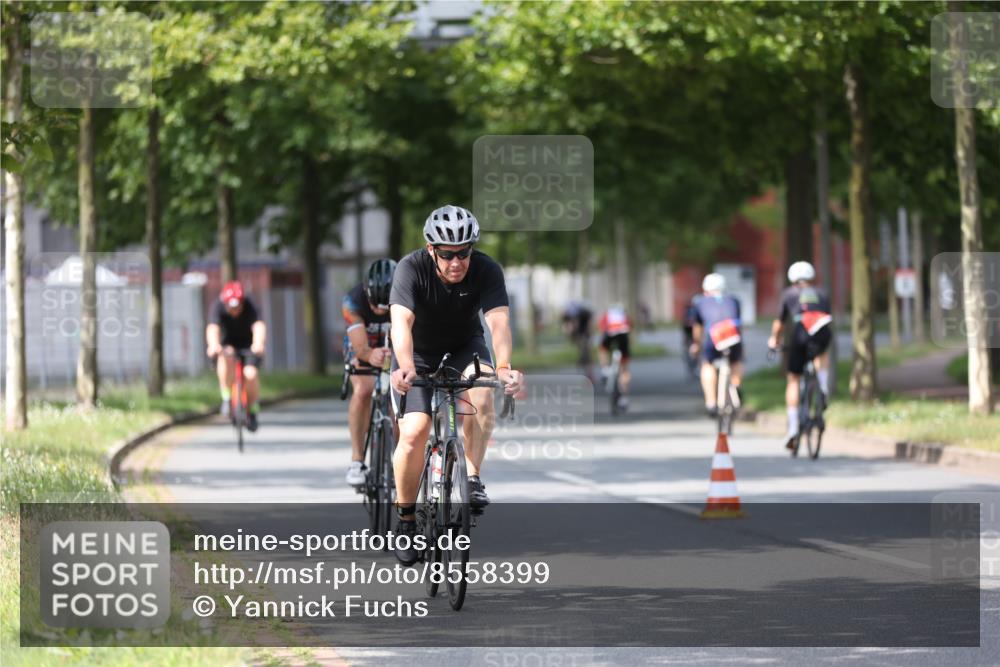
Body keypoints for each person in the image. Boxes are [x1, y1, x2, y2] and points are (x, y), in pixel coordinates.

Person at [389, 204, 523, 566]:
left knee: (484, 384)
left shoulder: (486, 269)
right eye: (447, 254)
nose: (456, 262)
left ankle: (473, 478)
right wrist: (404, 368)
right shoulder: (410, 268)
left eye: (464, 253)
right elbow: (400, 323)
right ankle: (405, 520)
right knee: (415, 432)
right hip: (416, 355)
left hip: (465, 347)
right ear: (431, 249)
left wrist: (506, 367)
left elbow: (498, 323)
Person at [768, 261, 833, 449]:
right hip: (821, 330)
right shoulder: (822, 293)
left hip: (800, 332)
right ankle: (823, 385)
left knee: (794, 379)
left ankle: (793, 428)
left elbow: (779, 323)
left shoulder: (789, 294)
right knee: (821, 353)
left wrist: (774, 340)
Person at [342, 258, 396, 487]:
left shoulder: (409, 297)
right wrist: (369, 354)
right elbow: (361, 348)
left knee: (401, 397)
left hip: (395, 347)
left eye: (386, 307)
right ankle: (357, 460)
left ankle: (399, 457)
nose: (379, 312)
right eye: (375, 306)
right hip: (362, 345)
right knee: (363, 390)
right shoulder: (352, 302)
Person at [206, 281, 267, 432]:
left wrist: (258, 343)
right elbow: (213, 328)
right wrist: (213, 345)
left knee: (250, 375)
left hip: (248, 345)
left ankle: (252, 410)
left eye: (237, 306)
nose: (234, 310)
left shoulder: (250, 305)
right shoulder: (217, 306)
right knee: (225, 356)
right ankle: (226, 397)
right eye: (231, 307)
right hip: (228, 344)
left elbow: (258, 325)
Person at [690, 273, 744, 417]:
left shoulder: (700, 302)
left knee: (707, 364)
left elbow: (698, 327)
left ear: (705, 290)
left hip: (713, 336)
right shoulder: (734, 300)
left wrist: (696, 344)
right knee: (736, 361)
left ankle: (711, 402)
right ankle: (737, 386)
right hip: (732, 334)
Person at [598, 303, 632, 409]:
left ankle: (604, 369)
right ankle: (624, 397)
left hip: (609, 334)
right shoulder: (624, 316)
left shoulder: (607, 315)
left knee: (603, 349)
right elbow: (630, 328)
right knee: (625, 369)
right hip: (623, 335)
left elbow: (601, 327)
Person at [561, 300, 594, 382]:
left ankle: (589, 373)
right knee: (582, 354)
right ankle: (583, 368)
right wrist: (570, 333)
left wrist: (588, 335)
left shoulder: (584, 314)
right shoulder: (567, 315)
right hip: (577, 335)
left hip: (585, 334)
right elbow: (566, 326)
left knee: (586, 354)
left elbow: (589, 325)